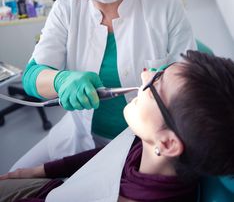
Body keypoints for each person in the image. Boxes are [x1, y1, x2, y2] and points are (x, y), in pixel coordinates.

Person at [11, 0, 195, 171]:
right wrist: (61, 80)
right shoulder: (67, 7)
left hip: (144, 146)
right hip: (78, 139)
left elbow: (189, 81)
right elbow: (31, 77)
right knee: (14, 178)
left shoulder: (164, 5)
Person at [1, 50, 234, 202]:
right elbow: (110, 156)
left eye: (155, 84)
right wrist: (37, 171)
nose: (145, 76)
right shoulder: (154, 145)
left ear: (168, 142)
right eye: (158, 72)